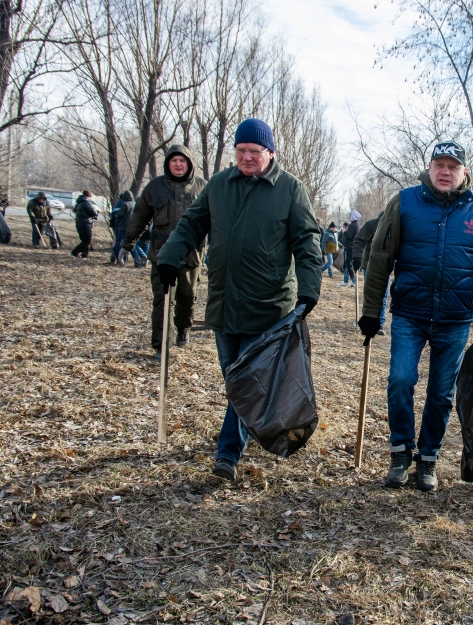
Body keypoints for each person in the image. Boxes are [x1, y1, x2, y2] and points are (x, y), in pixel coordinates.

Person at [156, 117, 323, 482]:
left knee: (246, 383)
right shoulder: (219, 185)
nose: (247, 157)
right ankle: (259, 426)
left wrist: (310, 289)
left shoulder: (291, 190)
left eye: (255, 151)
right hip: (224, 304)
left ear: (271, 153)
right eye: (241, 151)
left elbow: (307, 243)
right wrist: (170, 257)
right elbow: (190, 225)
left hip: (268, 309)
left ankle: (227, 453)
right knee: (236, 382)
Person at [358, 141, 473, 492]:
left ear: (464, 172)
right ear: (429, 168)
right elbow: (380, 258)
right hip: (409, 313)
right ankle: (401, 452)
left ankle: (429, 457)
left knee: (441, 394)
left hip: (455, 317)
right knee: (400, 380)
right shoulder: (405, 201)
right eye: (439, 165)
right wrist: (372, 312)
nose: (445, 171)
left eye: (453, 166)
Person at [120, 145, 207, 352]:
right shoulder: (154, 188)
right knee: (163, 300)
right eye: (174, 161)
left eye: (183, 161)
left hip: (191, 256)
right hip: (161, 256)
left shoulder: (203, 187)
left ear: (189, 164)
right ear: (168, 164)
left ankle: (183, 328)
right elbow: (140, 217)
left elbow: (217, 219)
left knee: (187, 299)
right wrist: (128, 243)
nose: (178, 164)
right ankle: (161, 345)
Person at [352, 210, 387, 332]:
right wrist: (357, 257)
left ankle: (380, 323)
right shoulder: (372, 225)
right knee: (371, 293)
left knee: (383, 294)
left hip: (386, 266)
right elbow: (359, 241)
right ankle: (367, 319)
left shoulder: (394, 225)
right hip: (370, 265)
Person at [109, 191, 135, 264]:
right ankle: (126, 258)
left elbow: (115, 215)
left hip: (120, 226)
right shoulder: (133, 203)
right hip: (129, 226)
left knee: (119, 242)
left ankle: (117, 258)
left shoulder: (120, 204)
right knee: (128, 243)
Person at [71, 191, 98, 258]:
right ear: (89, 196)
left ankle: (84, 255)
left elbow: (74, 210)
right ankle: (74, 252)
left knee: (84, 240)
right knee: (87, 240)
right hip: (85, 223)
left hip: (78, 223)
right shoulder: (86, 203)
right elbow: (93, 212)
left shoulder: (78, 203)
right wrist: (96, 214)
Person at [340, 210, 361, 287]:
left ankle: (353, 281)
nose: (349, 216)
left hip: (349, 247)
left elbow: (349, 236)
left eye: (350, 215)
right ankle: (346, 281)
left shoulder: (352, 225)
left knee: (348, 264)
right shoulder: (356, 224)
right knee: (346, 264)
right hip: (352, 246)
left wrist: (344, 232)